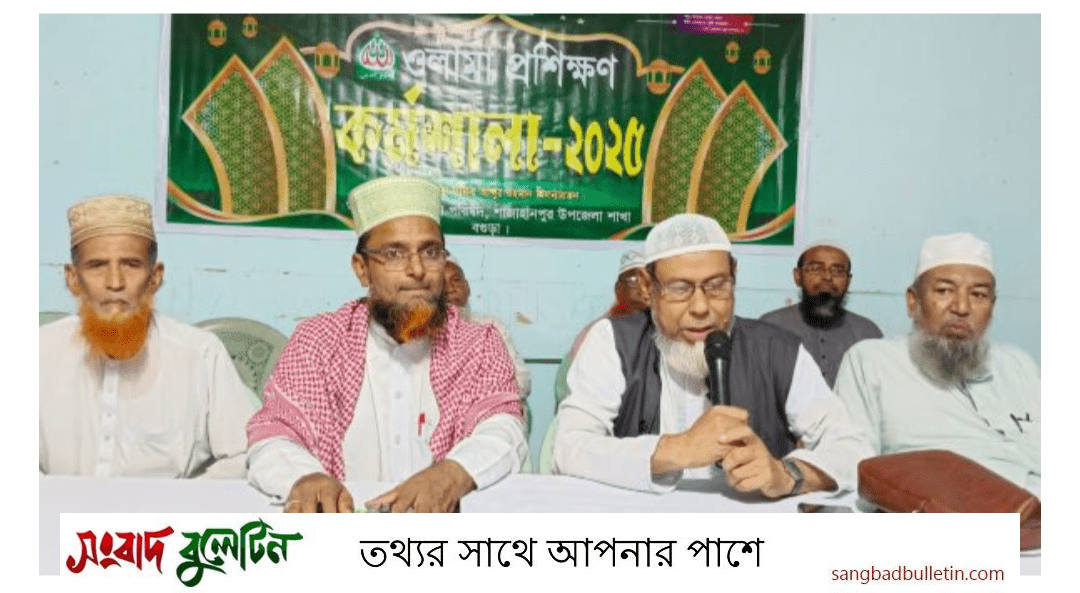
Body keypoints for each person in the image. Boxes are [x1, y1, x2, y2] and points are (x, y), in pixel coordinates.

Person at [246, 175, 527, 512]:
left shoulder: (478, 342)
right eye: (394, 253)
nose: (417, 270)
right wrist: (304, 477)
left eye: (431, 252)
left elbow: (503, 427)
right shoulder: (318, 341)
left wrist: (452, 473)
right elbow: (274, 433)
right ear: (362, 269)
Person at [552, 214, 869, 496]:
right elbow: (568, 447)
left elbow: (853, 448)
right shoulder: (613, 341)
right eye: (680, 288)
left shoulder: (778, 349)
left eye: (716, 286)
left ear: (734, 276)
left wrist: (786, 475)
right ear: (648, 287)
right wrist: (678, 450)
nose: (701, 307)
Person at [39, 195, 257, 477]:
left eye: (131, 265)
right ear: (72, 278)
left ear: (155, 277)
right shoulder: (38, 351)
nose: (115, 282)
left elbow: (244, 453)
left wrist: (188, 496)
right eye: (97, 266)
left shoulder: (200, 354)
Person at [833, 232, 1039, 493]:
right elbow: (851, 471)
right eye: (944, 291)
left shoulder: (1018, 365)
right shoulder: (872, 362)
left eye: (978, 295)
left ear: (992, 306)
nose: (961, 307)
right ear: (913, 301)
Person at [760, 241, 882, 387]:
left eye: (837, 271)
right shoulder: (770, 327)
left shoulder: (867, 333)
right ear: (798, 276)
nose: (827, 277)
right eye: (816, 269)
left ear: (848, 281)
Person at [444, 256, 532, 434]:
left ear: (467, 288)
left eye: (456, 279)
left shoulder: (490, 326)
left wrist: (488, 400)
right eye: (441, 283)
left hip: (490, 416)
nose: (450, 287)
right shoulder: (428, 335)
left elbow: (522, 381)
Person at [553, 249, 649, 407]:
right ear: (618, 288)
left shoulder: (668, 335)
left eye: (648, 282)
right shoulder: (594, 334)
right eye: (633, 279)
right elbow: (567, 394)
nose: (641, 289)